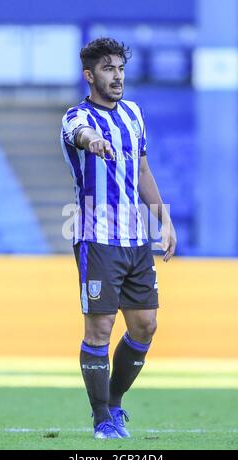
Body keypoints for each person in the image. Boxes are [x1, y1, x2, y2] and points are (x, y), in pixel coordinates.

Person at [61, 37, 176, 439]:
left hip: (136, 239)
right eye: (108, 69)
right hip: (97, 238)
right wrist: (94, 142)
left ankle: (113, 401)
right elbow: (80, 134)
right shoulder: (76, 116)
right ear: (90, 75)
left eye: (121, 69)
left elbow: (143, 171)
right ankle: (102, 420)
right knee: (100, 328)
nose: (117, 77)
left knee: (146, 325)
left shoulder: (134, 115)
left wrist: (163, 218)